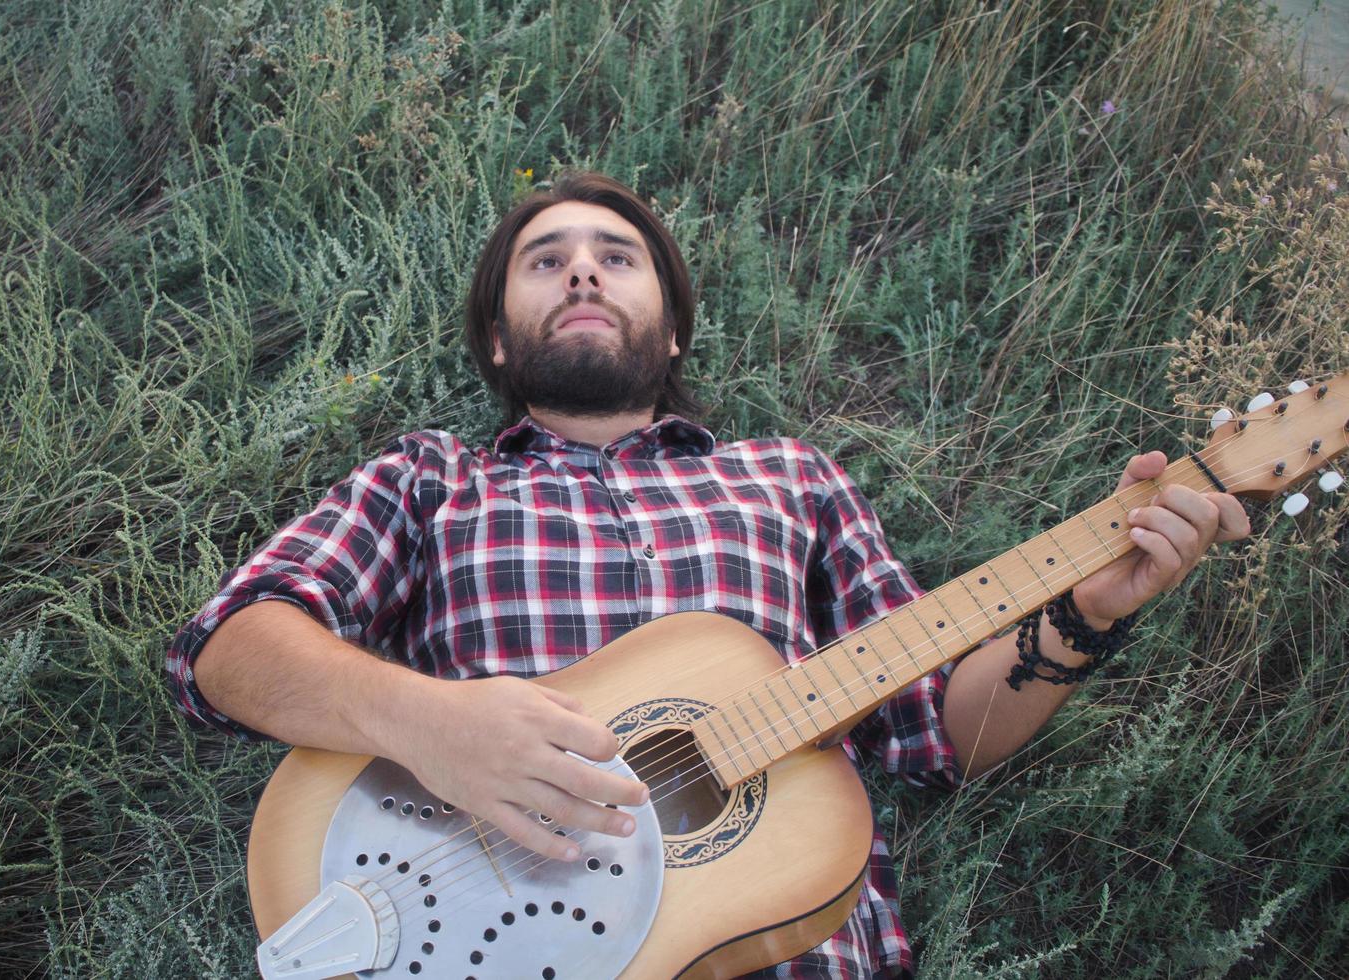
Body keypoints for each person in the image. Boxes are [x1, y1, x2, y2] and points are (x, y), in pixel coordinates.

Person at [165, 171, 1250, 978]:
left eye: (616, 255)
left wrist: (1079, 618)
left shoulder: (790, 477)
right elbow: (230, 648)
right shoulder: (431, 476)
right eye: (544, 260)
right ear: (497, 342)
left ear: (672, 325)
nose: (583, 267)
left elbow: (937, 730)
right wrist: (430, 723)